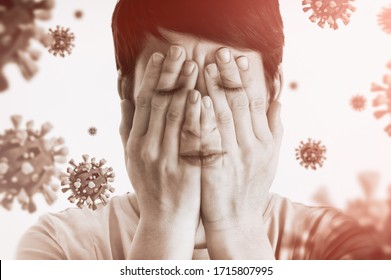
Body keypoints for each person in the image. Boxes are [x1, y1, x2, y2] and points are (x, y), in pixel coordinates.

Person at [16, 0, 382, 260]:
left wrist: (237, 228)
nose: (201, 121)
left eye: (229, 86)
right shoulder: (59, 248)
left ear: (273, 89)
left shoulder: (337, 246)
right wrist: (164, 225)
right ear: (127, 90)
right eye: (173, 88)